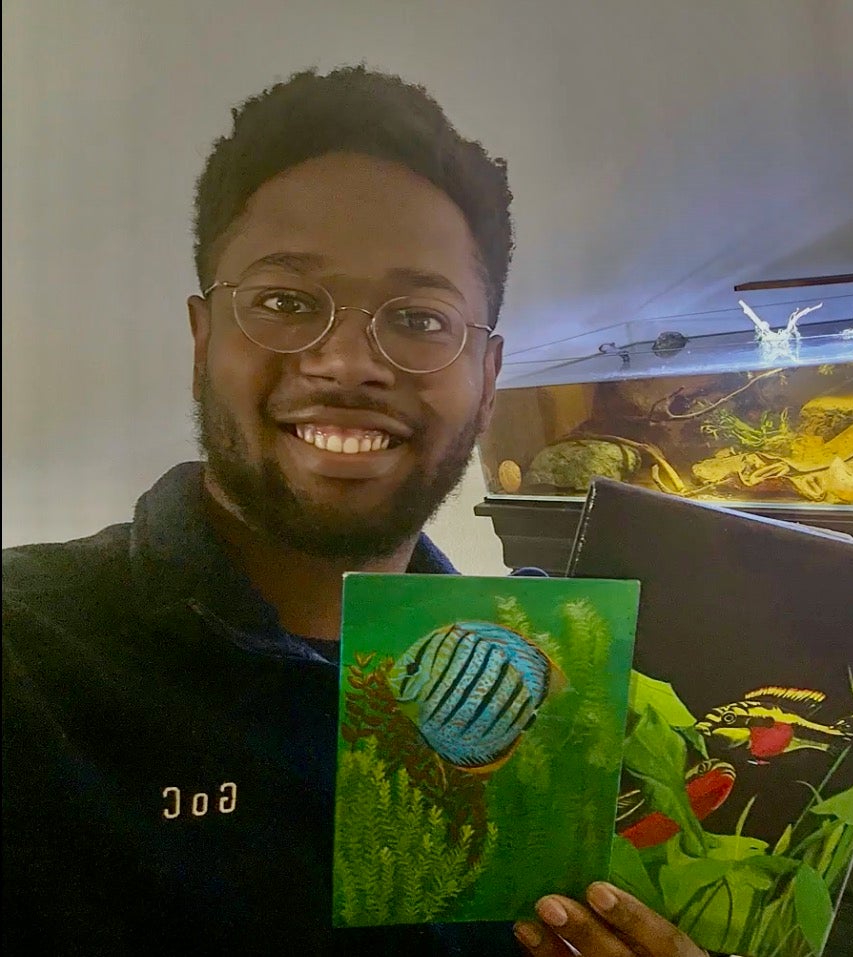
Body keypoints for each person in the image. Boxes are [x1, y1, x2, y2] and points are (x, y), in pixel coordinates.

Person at [2, 65, 709, 957]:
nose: (346, 363)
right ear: (201, 340)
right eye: (287, 303)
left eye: (418, 318)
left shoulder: (571, 715)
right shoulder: (25, 661)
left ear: (488, 382)